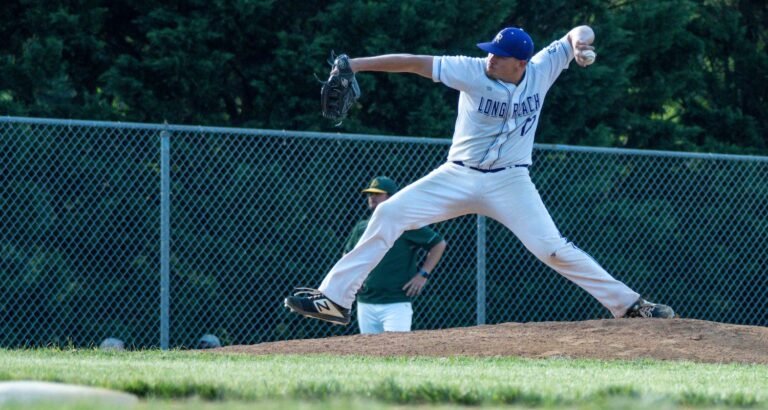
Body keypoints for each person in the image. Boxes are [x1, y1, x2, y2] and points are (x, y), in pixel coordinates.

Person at [285, 25, 675, 325]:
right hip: (457, 177)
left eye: (500, 56)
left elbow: (580, 31)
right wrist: (356, 65)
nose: (490, 59)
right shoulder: (471, 71)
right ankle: (335, 299)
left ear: (521, 63)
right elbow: (413, 61)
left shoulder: (541, 69)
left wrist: (580, 46)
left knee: (552, 248)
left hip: (511, 181)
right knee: (387, 214)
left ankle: (629, 306)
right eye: (491, 52)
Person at [345, 176, 447, 333]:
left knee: (396, 352)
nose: (372, 197)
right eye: (370, 193)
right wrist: (352, 279)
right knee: (369, 353)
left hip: (396, 303)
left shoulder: (404, 225)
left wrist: (423, 274)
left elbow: (438, 244)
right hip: (366, 302)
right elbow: (348, 255)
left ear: (392, 198)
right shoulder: (362, 227)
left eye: (378, 193)